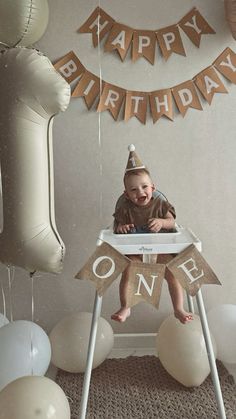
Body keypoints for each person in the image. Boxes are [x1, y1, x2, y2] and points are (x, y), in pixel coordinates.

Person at [111, 144, 193, 324]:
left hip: (161, 251)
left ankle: (178, 308)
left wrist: (162, 222)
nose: (140, 192)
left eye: (144, 186)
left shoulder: (160, 204)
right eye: (133, 190)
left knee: (172, 272)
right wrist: (121, 228)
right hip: (137, 253)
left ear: (153, 187)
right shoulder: (125, 208)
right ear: (126, 194)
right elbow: (116, 227)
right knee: (129, 270)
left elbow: (173, 223)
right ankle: (126, 307)